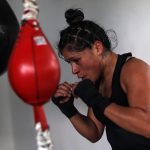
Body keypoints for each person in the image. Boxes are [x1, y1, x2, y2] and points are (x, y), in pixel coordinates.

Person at [52, 8, 150, 150]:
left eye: (77, 60)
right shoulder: (97, 81)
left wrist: (95, 99)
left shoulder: (133, 69)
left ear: (97, 48)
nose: (74, 70)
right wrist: (68, 109)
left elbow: (147, 125)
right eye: (70, 63)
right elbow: (94, 133)